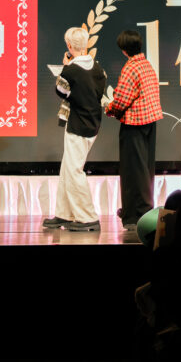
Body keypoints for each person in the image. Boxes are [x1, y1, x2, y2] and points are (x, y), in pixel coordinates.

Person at [44, 27, 107, 231]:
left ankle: (87, 217)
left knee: (73, 170)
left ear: (69, 46)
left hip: (78, 124)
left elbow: (61, 90)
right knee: (68, 168)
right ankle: (64, 213)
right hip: (92, 121)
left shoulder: (70, 70)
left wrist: (66, 67)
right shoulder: (97, 68)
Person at [106, 29, 163, 231]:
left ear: (124, 50)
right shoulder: (146, 64)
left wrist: (109, 108)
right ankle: (141, 210)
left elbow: (122, 99)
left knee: (132, 171)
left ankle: (134, 216)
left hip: (135, 123)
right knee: (145, 168)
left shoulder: (130, 67)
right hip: (150, 121)